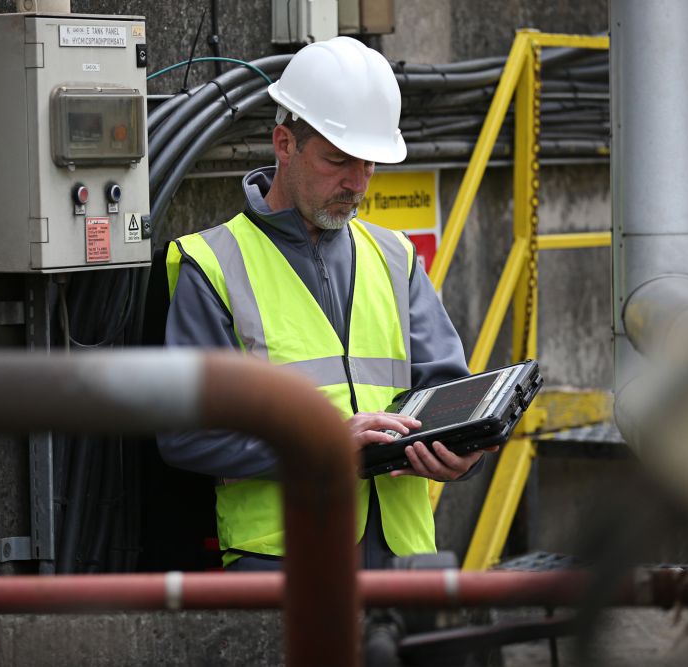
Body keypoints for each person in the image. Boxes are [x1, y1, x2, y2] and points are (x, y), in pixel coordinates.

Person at [158, 36, 491, 571]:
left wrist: (465, 450)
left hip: (400, 558)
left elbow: (446, 394)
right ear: (284, 143)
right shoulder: (212, 264)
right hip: (282, 565)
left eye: (370, 165)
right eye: (338, 161)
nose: (357, 184)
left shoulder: (394, 256)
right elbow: (188, 437)